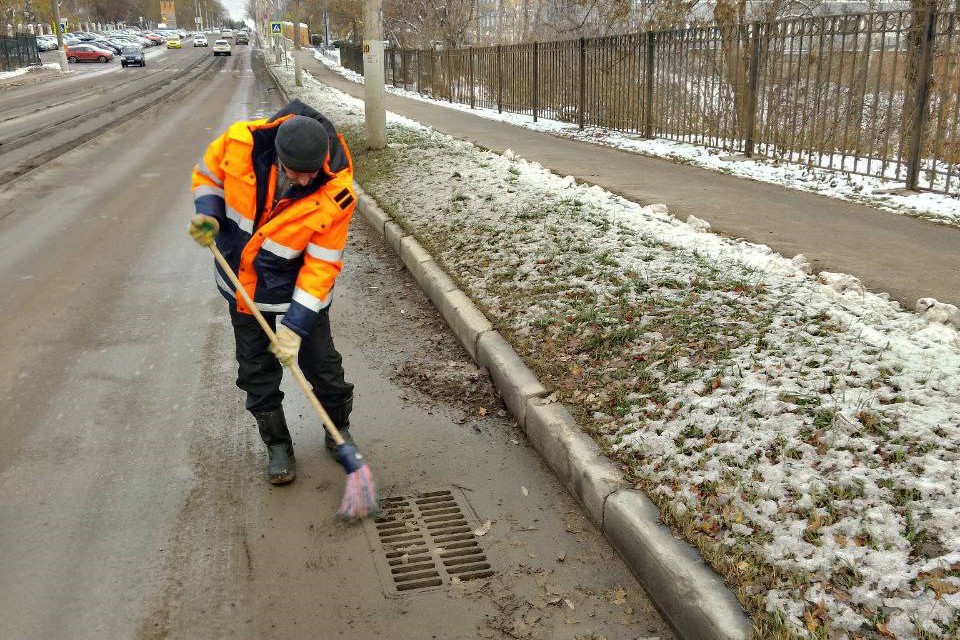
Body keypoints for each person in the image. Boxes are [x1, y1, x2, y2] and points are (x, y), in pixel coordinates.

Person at [189, 99, 357, 485]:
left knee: (325, 368)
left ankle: (338, 431)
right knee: (256, 372)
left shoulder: (336, 195)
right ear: (278, 157)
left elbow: (321, 266)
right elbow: (207, 174)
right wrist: (209, 213)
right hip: (242, 286)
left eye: (310, 174)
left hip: (299, 290)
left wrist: (295, 326)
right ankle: (278, 445)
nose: (302, 181)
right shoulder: (238, 145)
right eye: (294, 173)